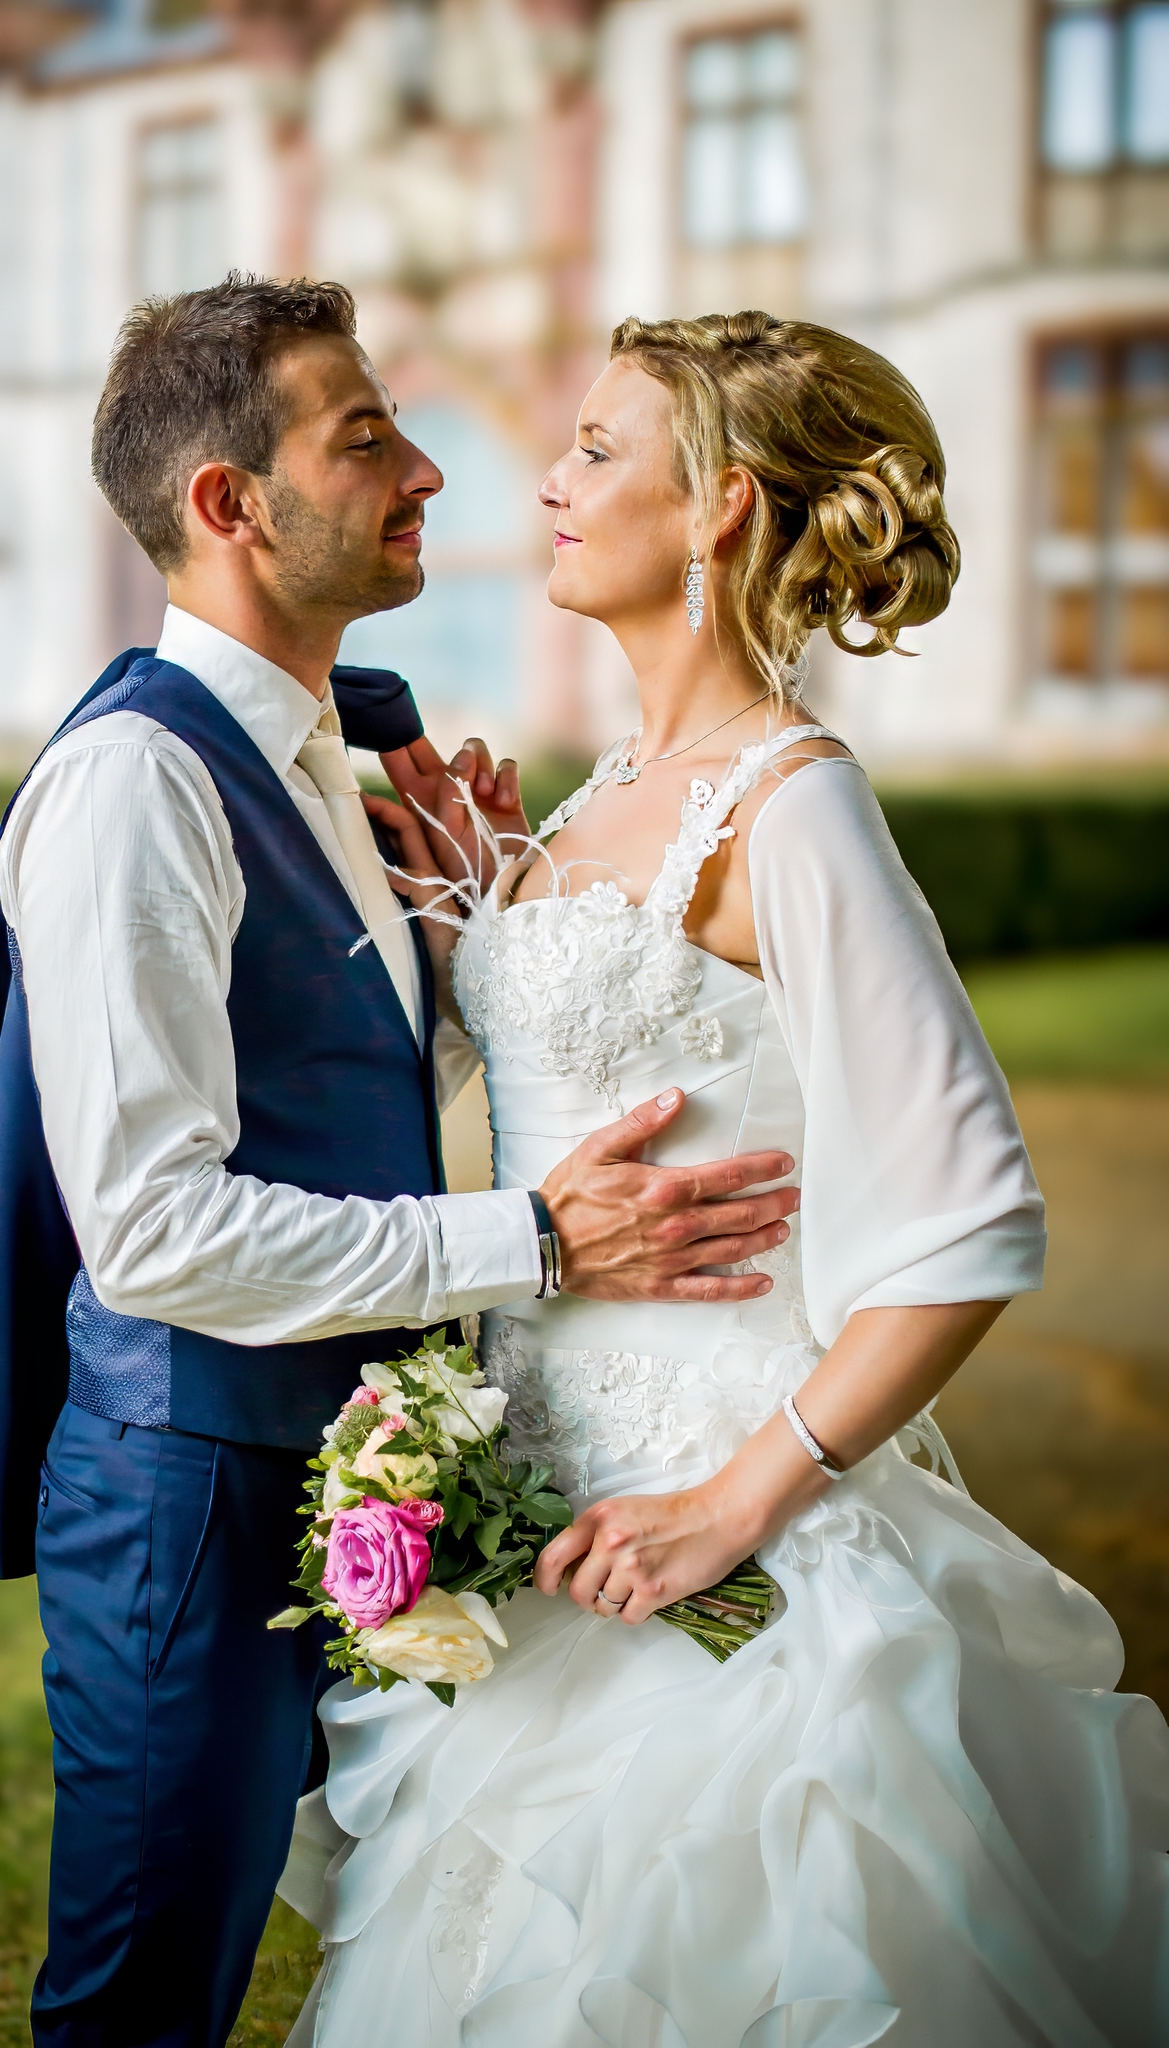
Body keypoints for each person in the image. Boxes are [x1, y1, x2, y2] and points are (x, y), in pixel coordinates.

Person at [284, 311, 1169, 2045]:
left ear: (719, 509)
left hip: (721, 1525)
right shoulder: (612, 790)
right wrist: (490, 914)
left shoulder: (797, 806)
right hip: (540, 1508)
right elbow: (602, 1072)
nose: (545, 483)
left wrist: (735, 1505)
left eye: (598, 451)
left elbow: (973, 1219)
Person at [0, 279, 806, 2048]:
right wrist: (531, 1241)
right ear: (226, 504)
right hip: (186, 1500)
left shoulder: (318, 759)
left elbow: (330, 1084)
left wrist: (486, 951)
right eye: (365, 439)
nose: (430, 468)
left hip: (345, 1475)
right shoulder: (138, 782)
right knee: (141, 1995)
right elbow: (152, 1232)